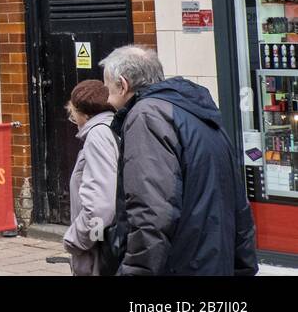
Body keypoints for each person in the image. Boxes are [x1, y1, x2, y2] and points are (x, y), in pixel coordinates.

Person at [101, 45, 258, 276]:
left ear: (123, 84)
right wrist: (243, 266)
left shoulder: (146, 115)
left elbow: (151, 214)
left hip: (180, 265)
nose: (107, 99)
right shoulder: (199, 114)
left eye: (108, 90)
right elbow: (239, 205)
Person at [62, 79, 118, 276]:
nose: (74, 121)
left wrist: (77, 240)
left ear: (83, 114)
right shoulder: (114, 126)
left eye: (73, 115)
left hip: (99, 252)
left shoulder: (98, 135)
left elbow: (100, 207)